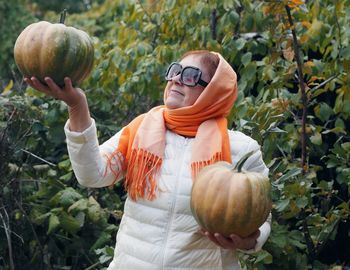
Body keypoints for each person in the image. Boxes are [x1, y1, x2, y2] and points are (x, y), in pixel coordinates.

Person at [25, 50, 271, 270]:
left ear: (214, 90)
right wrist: (77, 105)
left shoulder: (241, 149)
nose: (176, 78)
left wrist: (250, 241)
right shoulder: (141, 130)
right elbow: (92, 174)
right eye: (175, 71)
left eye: (190, 75)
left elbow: (261, 217)